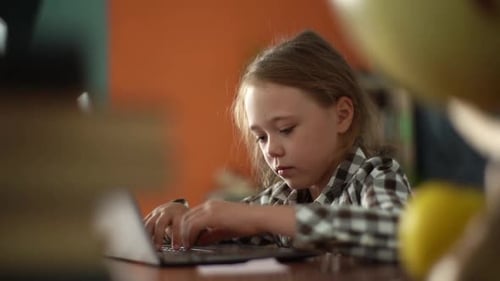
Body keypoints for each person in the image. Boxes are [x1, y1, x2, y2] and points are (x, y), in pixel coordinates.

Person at [144, 30, 412, 262]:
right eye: (261, 137)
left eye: (286, 129)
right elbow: (225, 225)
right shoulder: (282, 197)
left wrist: (257, 218)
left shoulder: (376, 175)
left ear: (341, 116)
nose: (271, 150)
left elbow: (401, 233)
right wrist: (183, 220)